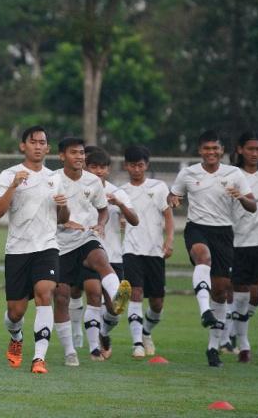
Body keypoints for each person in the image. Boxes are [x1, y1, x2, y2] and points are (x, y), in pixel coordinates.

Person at [170, 130, 256, 367]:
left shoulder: (234, 174)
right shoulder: (188, 173)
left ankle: (212, 347)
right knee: (202, 257)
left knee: (220, 291)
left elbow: (251, 206)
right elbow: (173, 195)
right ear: (200, 151)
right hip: (197, 228)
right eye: (207, 148)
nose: (211, 152)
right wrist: (173, 200)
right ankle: (204, 310)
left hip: (224, 233)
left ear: (222, 151)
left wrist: (241, 197)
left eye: (215, 148)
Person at [0, 126, 69, 374]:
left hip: (46, 247)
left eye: (42, 142)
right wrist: (13, 186)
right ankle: (16, 337)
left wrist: (64, 206)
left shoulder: (55, 177)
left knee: (45, 293)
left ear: (48, 148)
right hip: (17, 249)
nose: (38, 146)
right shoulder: (9, 174)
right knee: (15, 313)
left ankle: (39, 358)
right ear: (23, 146)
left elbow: (63, 218)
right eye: (33, 142)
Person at [52, 138, 131, 367]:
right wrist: (63, 221)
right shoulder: (52, 179)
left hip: (87, 236)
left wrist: (101, 224)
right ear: (62, 156)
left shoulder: (93, 182)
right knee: (62, 297)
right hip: (60, 244)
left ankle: (117, 295)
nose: (79, 156)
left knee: (100, 259)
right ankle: (70, 351)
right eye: (74, 152)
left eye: (81, 153)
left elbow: (103, 210)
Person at [84, 146, 139, 360]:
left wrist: (121, 205)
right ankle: (93, 349)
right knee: (93, 295)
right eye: (94, 167)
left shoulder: (118, 193)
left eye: (103, 167)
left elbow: (135, 220)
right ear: (87, 168)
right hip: (87, 254)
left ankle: (104, 333)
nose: (98, 171)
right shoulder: (81, 191)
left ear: (108, 169)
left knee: (115, 309)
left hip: (113, 256)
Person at [120, 145, 174, 358]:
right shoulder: (121, 191)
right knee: (135, 292)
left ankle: (146, 333)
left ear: (146, 165)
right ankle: (137, 344)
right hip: (131, 250)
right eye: (132, 165)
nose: (136, 169)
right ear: (126, 166)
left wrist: (169, 240)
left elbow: (168, 215)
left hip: (154, 251)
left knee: (157, 303)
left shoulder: (159, 187)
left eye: (140, 165)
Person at [231, 131, 258, 363]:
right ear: (240, 150)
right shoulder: (231, 176)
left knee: (256, 295)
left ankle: (235, 329)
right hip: (238, 242)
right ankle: (243, 344)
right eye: (251, 149)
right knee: (242, 296)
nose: (255, 153)